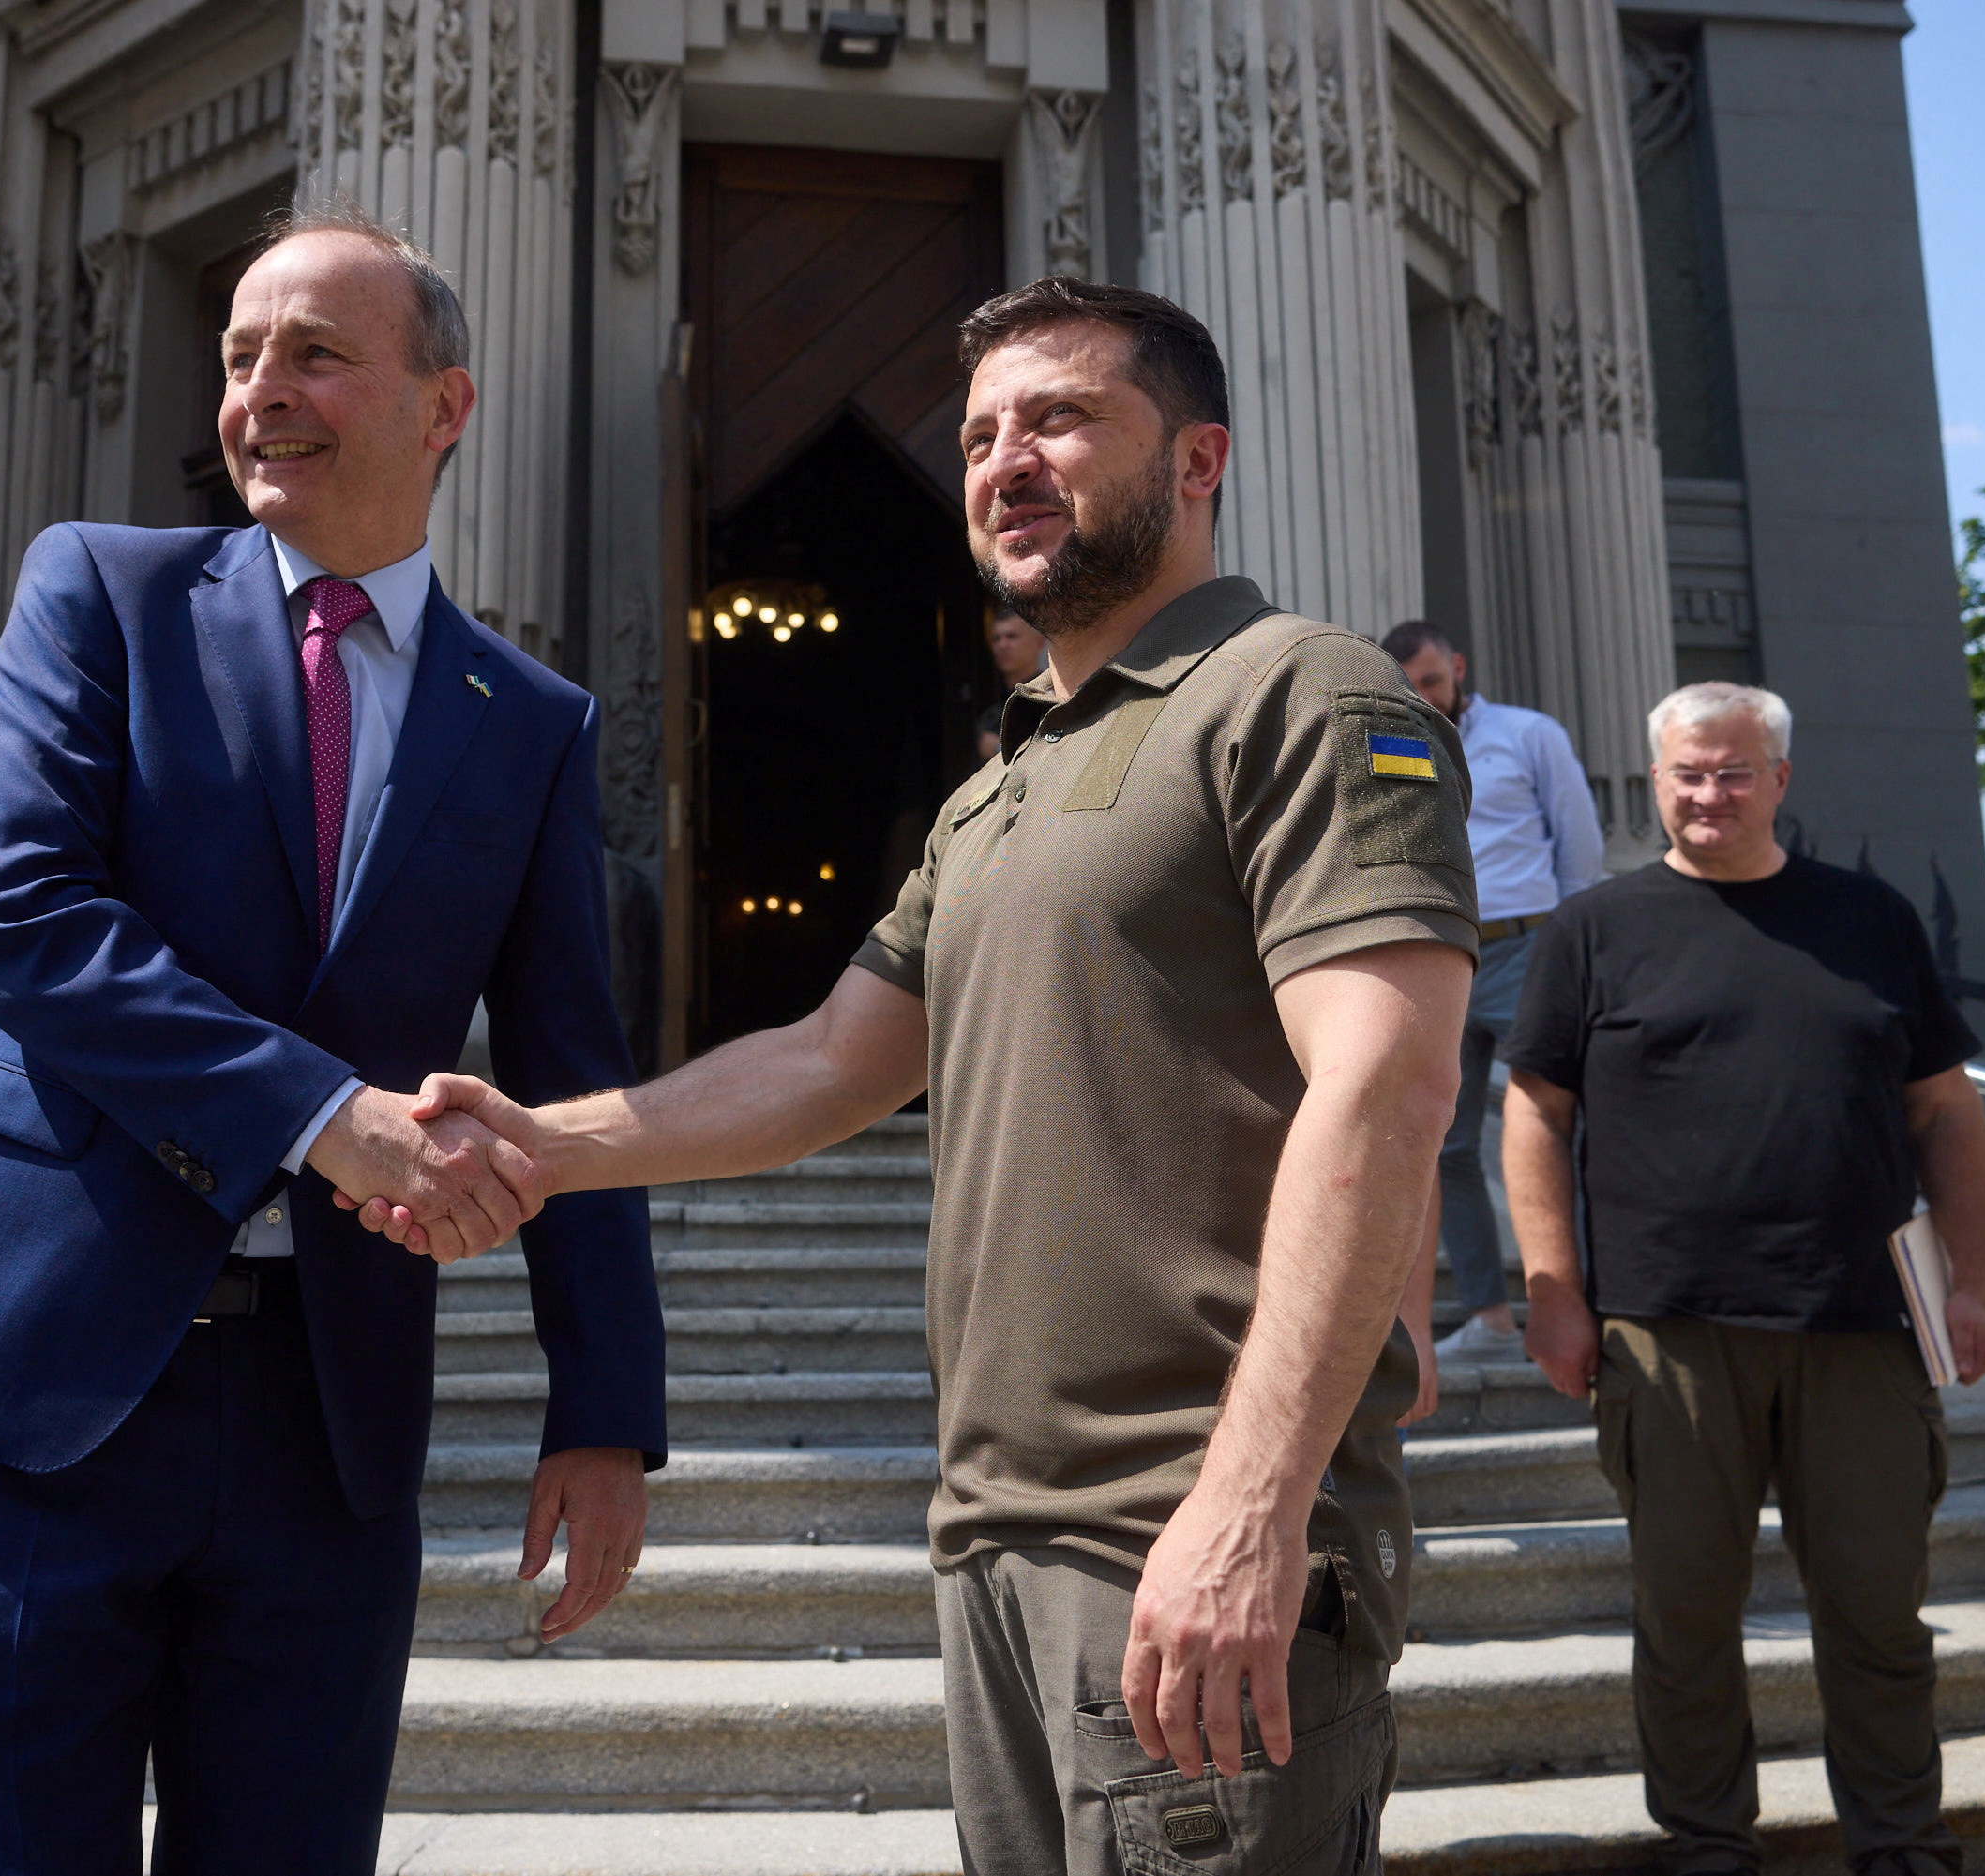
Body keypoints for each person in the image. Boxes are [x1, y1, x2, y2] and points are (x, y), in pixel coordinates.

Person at [349, 277, 1478, 1875]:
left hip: (1194, 1539)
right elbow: (825, 1064)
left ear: (1201, 456)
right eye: (981, 436)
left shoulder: (1304, 692)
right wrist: (538, 1141)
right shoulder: (995, 785)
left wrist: (1249, 1503)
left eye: (1064, 419)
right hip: (993, 1551)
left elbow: (1384, 1093)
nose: (1009, 461)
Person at [0, 203, 666, 1876]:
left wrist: (604, 1409)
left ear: (446, 407)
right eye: (239, 355)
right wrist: (329, 1116)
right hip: (29, 1366)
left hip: (322, 1422)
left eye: (317, 354)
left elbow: (572, 1075)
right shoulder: (99, 594)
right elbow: (24, 924)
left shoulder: (533, 723)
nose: (261, 390)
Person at [1503, 680, 1985, 1876]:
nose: (1707, 794)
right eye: (1686, 773)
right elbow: (1534, 1112)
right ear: (1657, 779)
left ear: (1779, 778)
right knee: (1684, 1623)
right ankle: (1708, 1845)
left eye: (1732, 771)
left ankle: (1900, 1846)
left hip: (1868, 1325)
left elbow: (1944, 1110)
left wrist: (1975, 1280)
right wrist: (1555, 1290)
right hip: (1666, 1329)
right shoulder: (1593, 930)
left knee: (1881, 1617)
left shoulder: (1871, 920)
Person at [1383, 620, 1602, 1367]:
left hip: (1524, 948)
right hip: (1437, 956)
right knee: (1447, 1145)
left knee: (1563, 1118)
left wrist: (1572, 946)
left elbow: (1579, 841)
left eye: (1433, 682)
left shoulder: (1527, 733)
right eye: (1410, 686)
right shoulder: (1390, 741)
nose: (1425, 697)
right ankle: (1489, 1315)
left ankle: (1581, 1296)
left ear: (1458, 667)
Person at [977, 608, 1050, 763]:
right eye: (996, 638)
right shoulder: (991, 709)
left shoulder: (1050, 697)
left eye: (1012, 636)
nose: (1003, 645)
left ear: (1038, 643)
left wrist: (998, 749)